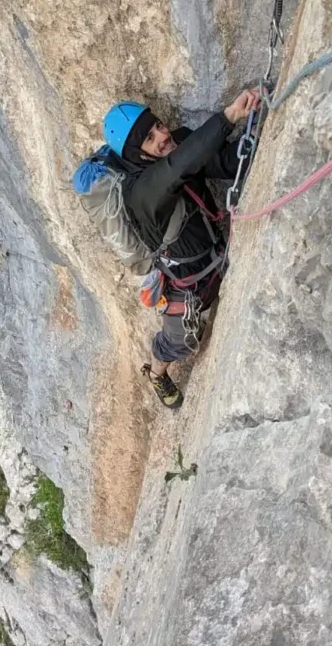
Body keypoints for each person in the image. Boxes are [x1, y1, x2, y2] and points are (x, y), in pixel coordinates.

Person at [102, 89, 260, 408]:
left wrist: (252, 138)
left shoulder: (180, 144)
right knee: (182, 341)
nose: (162, 134)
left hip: (219, 254)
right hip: (188, 286)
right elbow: (175, 169)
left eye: (158, 125)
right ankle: (157, 372)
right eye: (150, 137)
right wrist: (228, 117)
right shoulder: (140, 195)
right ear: (136, 155)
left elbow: (223, 163)